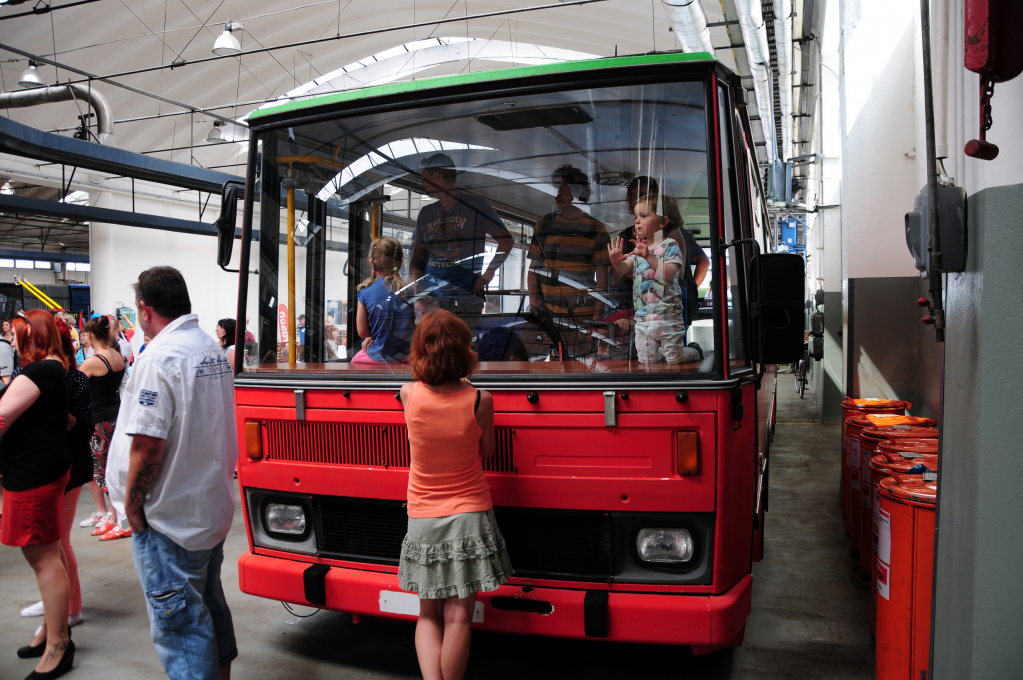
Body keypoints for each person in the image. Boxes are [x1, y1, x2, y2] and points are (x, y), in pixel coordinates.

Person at [106, 266, 237, 680]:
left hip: (169, 521)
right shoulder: (208, 348)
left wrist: (132, 507)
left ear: (145, 309)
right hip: (206, 510)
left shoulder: (161, 357)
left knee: (182, 630)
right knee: (209, 607)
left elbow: (148, 444)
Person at [397, 310, 513, 680]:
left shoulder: (408, 394)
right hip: (470, 514)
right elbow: (487, 451)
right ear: (464, 349)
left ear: (421, 350)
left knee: (428, 614)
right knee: (459, 615)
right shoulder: (480, 400)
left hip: (423, 515)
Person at [0, 309, 76, 678]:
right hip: (39, 469)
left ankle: (58, 645)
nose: (12, 340)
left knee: (43, 557)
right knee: (51, 552)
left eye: (16, 333)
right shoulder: (52, 367)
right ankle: (53, 632)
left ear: (34, 336)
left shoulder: (41, 370)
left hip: (34, 474)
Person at [20, 320, 95, 630]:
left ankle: (70, 608)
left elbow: (83, 426)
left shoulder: (72, 378)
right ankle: (57, 599)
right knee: (51, 543)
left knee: (59, 541)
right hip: (52, 465)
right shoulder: (44, 375)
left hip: (69, 464)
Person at [409, 153, 514, 331]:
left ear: (437, 176)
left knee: (466, 345)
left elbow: (506, 241)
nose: (423, 183)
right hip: (433, 299)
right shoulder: (425, 214)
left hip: (466, 299)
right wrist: (416, 288)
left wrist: (488, 274)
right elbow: (417, 260)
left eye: (425, 177)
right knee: (434, 345)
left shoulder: (477, 206)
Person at [527, 164, 611, 359]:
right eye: (557, 189)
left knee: (577, 367)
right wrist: (533, 300)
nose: (557, 195)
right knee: (528, 361)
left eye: (562, 189)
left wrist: (597, 318)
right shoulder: (544, 224)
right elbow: (534, 268)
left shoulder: (596, 229)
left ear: (577, 191)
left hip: (581, 315)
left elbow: (602, 279)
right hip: (546, 313)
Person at [607, 197, 702, 365]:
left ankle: (694, 351)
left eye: (643, 216)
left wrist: (648, 256)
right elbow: (625, 267)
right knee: (646, 360)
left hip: (668, 316)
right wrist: (616, 262)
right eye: (636, 216)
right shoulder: (640, 248)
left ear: (662, 222)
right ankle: (662, 354)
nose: (637, 220)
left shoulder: (670, 245)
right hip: (643, 317)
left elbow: (670, 273)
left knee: (674, 358)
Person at [617, 177, 710, 327]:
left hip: (667, 309)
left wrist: (690, 288)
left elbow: (679, 272)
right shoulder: (627, 236)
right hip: (643, 307)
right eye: (631, 196)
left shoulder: (672, 236)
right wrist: (619, 264)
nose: (635, 200)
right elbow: (620, 273)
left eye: (641, 195)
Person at [80, 315, 129, 541]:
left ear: (91, 335)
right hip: (115, 413)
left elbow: (76, 387)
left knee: (102, 470)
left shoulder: (93, 361)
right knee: (112, 467)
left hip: (98, 419)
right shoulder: (116, 355)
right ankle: (113, 516)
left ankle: (117, 518)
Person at [353, 237, 415, 364]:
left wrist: (372, 337)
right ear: (400, 264)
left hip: (379, 356)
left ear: (371, 263)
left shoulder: (364, 292)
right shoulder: (409, 291)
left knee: (355, 361)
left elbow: (362, 332)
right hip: (407, 356)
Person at [1, 319, 15, 386]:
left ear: (10, 326)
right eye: (3, 325)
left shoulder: (14, 338)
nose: (4, 326)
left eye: (6, 325)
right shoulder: (2, 337)